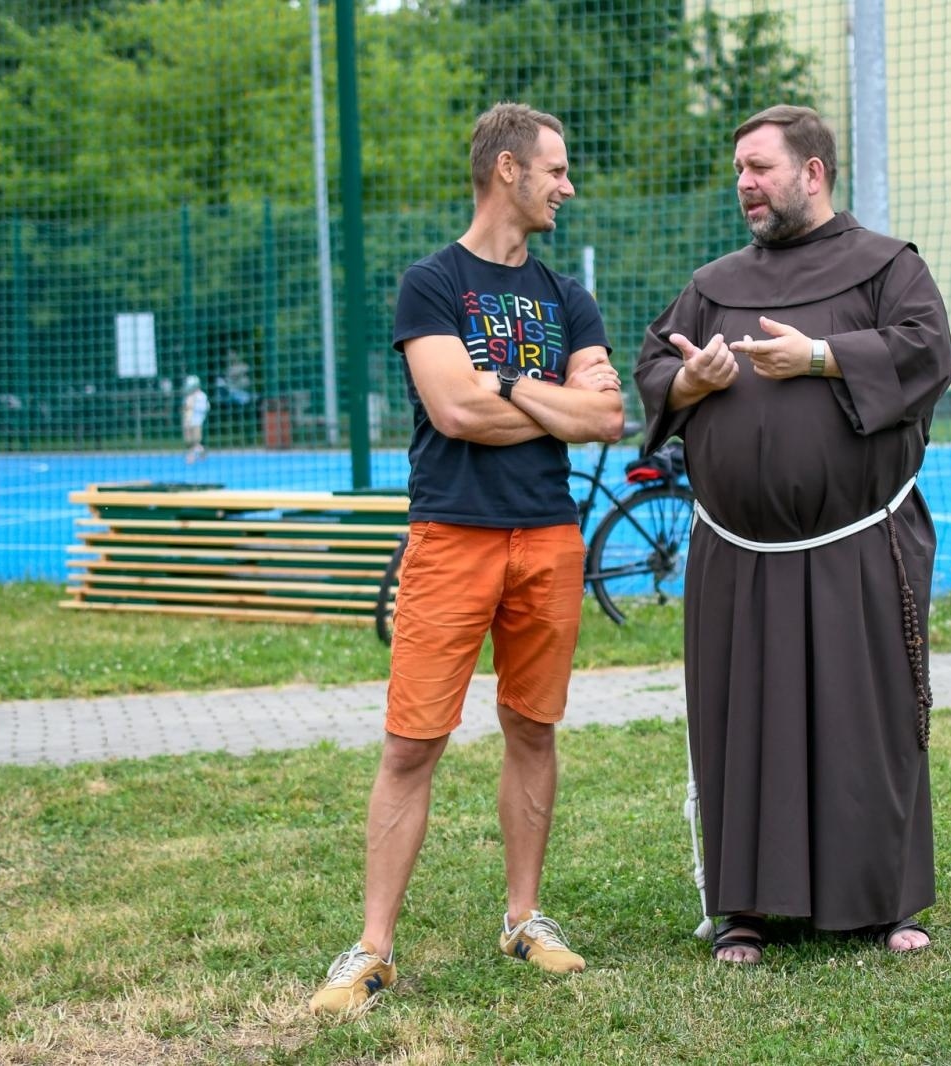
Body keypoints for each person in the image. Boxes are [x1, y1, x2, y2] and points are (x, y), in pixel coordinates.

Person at [307, 103, 623, 1015]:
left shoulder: (569, 296)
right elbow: (453, 412)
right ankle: (372, 949)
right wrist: (550, 396)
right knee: (413, 744)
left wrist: (512, 383)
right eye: (555, 170)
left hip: (549, 536)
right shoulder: (432, 283)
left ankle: (525, 920)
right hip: (451, 536)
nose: (568, 186)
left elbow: (604, 418)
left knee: (533, 730)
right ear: (506, 171)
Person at [633, 105, 951, 965]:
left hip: (860, 543)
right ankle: (744, 906)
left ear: (812, 172)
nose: (744, 182)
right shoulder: (714, 283)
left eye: (759, 166)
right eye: (738, 167)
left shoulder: (888, 267)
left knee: (870, 722)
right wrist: (692, 382)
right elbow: (654, 363)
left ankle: (885, 900)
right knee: (743, 724)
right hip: (736, 552)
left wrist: (820, 358)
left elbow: (928, 352)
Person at [181, 375, 209, 463]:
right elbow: (185, 408)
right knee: (188, 440)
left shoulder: (202, 396)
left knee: (195, 440)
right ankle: (201, 451)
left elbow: (204, 408)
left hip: (196, 421)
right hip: (188, 421)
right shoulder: (188, 396)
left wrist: (192, 405)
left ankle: (191, 456)